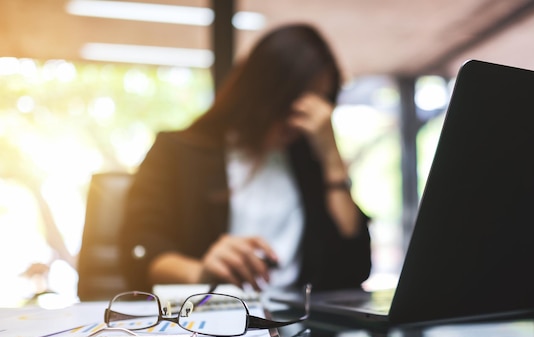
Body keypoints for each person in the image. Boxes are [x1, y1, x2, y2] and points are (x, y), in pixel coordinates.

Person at [119, 23, 371, 294]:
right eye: (296, 102)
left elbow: (354, 267)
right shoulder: (177, 152)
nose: (305, 119)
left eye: (320, 104)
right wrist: (203, 273)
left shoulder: (308, 164)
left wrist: (331, 158)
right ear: (264, 91)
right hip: (208, 319)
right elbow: (141, 252)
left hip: (297, 322)